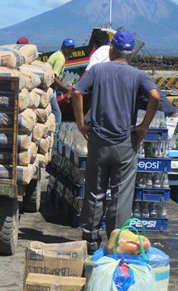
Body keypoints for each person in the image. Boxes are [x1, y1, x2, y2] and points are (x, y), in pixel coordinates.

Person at [71, 30, 161, 254]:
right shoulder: (138, 75)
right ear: (129, 54)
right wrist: (143, 126)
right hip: (124, 142)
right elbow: (156, 96)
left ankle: (91, 239)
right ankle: (116, 239)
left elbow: (76, 91)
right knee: (121, 194)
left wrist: (81, 123)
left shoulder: (98, 70)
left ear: (111, 50)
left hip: (99, 140)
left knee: (95, 189)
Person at [47, 38, 76, 124]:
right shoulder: (61, 59)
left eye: (72, 48)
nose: (71, 51)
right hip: (49, 89)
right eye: (69, 48)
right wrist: (67, 90)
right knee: (57, 114)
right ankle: (54, 135)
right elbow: (54, 78)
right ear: (63, 47)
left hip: (50, 88)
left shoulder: (57, 54)